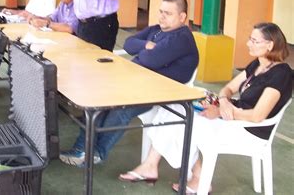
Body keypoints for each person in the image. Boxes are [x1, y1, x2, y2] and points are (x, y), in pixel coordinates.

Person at [118, 22, 292, 194]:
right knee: (175, 107)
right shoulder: (257, 65)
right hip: (232, 114)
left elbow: (257, 116)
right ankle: (156, 166)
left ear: (270, 44)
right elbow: (228, 89)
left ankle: (193, 174)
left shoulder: (281, 74)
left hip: (248, 128)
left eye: (254, 41)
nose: (248, 44)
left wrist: (222, 112)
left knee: (184, 121)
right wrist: (223, 101)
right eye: (250, 39)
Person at [59, 0, 199, 166]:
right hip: (139, 81)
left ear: (182, 17)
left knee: (120, 109)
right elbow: (128, 43)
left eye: (168, 13)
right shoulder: (157, 30)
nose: (162, 16)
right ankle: (82, 149)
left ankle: (96, 152)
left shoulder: (181, 38)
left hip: (161, 92)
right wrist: (146, 46)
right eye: (161, 11)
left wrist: (146, 51)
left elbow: (150, 60)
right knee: (98, 96)